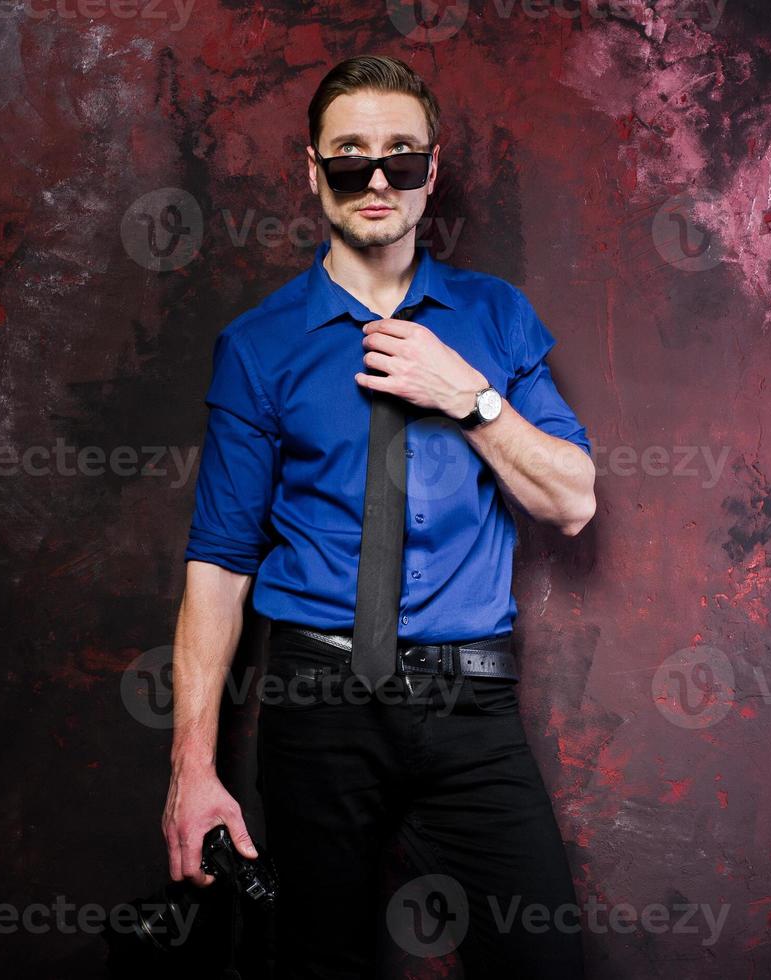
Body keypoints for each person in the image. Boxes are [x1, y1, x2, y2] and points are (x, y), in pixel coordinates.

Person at [163, 54, 596, 978]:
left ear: (430, 171)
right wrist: (191, 771)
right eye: (348, 155)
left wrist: (466, 395)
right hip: (317, 705)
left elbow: (569, 500)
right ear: (310, 169)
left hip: (468, 704)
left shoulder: (494, 316)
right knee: (315, 965)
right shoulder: (257, 346)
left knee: (546, 962)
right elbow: (218, 565)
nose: (375, 179)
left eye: (400, 156)